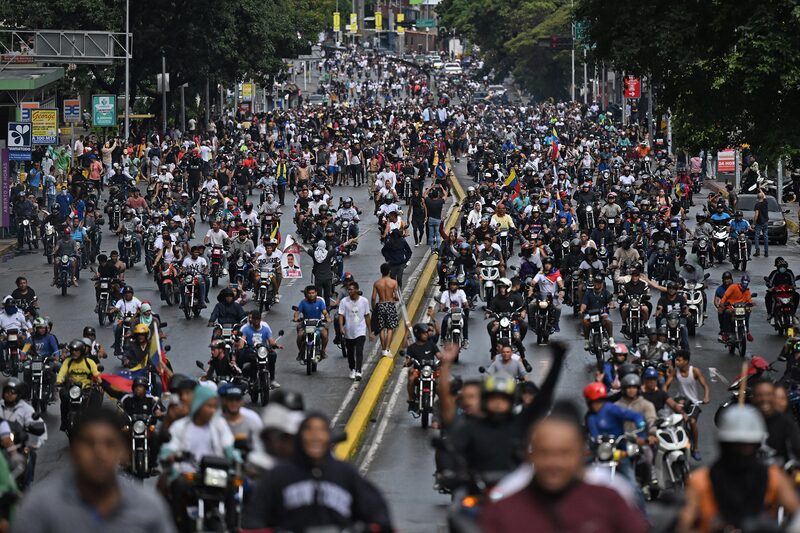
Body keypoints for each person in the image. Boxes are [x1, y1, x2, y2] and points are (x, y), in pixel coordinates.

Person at [479, 404, 649, 533]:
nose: (554, 463)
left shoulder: (610, 499)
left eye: (564, 453)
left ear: (580, 455)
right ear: (530, 456)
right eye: (545, 453)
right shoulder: (504, 508)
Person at [10, 407, 176, 533]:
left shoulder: (149, 508)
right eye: (89, 443)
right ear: (72, 451)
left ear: (125, 453)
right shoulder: (40, 506)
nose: (99, 453)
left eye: (110, 444)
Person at [241, 412, 392, 533]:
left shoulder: (345, 473)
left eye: (321, 431)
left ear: (329, 438)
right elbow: (255, 516)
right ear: (300, 436)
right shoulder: (278, 475)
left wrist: (374, 526)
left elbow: (377, 510)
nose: (315, 436)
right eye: (309, 430)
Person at [449, 343, 566, 477]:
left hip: (511, 486)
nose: (498, 404)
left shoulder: (518, 423)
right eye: (494, 399)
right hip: (477, 485)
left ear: (511, 401)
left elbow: (542, 399)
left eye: (503, 399)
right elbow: (453, 449)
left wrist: (557, 360)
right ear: (486, 400)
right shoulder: (471, 425)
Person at [679, 405, 800, 532]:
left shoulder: (773, 478)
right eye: (735, 445)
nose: (742, 451)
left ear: (757, 446)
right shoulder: (701, 481)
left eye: (747, 446)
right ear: (723, 445)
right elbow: (685, 524)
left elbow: (796, 513)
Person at [0, 378, 45, 489]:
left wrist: (32, 426)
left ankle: (26, 487)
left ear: (18, 394)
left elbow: (36, 422)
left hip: (17, 442)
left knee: (31, 454)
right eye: (7, 392)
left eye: (13, 393)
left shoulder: (26, 408)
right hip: (1, 441)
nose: (9, 395)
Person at [665, 350, 710, 460]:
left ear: (686, 361)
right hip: (679, 401)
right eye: (676, 360)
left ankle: (696, 448)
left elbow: (705, 386)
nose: (677, 362)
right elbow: (666, 385)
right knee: (672, 423)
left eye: (679, 360)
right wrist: (664, 396)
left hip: (693, 403)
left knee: (692, 422)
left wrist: (706, 397)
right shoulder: (675, 372)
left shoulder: (695, 371)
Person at [56, 339, 102, 431]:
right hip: (71, 389)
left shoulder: (89, 362)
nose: (74, 353)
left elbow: (96, 375)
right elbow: (61, 373)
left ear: (81, 351)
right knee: (63, 395)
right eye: (72, 350)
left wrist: (100, 384)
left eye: (76, 351)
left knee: (97, 396)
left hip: (86, 388)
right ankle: (64, 422)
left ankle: (94, 423)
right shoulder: (67, 361)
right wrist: (58, 381)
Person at [752, 379, 800, 464]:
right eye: (759, 395)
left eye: (768, 395)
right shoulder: (747, 421)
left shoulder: (787, 423)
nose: (764, 399)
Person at [239, 310, 282, 389]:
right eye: (254, 319)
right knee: (248, 357)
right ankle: (250, 378)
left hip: (262, 351)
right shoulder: (246, 329)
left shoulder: (265, 329)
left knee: (273, 355)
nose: (256, 321)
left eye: (257, 319)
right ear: (252, 320)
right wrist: (241, 346)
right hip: (251, 350)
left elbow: (271, 340)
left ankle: (272, 379)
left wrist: (275, 345)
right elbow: (242, 340)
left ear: (260, 319)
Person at [338, 282, 373, 380]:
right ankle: (352, 368)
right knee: (350, 352)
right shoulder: (344, 301)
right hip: (349, 330)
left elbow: (367, 316)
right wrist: (341, 327)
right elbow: (341, 315)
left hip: (360, 330)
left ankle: (358, 371)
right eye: (348, 289)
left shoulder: (364, 301)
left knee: (359, 350)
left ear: (357, 290)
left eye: (351, 289)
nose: (349, 291)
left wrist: (370, 331)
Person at [218, 383, 263, 452]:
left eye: (237, 400)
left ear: (242, 402)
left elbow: (260, 446)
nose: (234, 403)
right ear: (225, 401)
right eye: (231, 400)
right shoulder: (217, 420)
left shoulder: (253, 419)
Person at [294, 285, 330, 361]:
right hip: (305, 324)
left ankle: (323, 351)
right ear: (307, 294)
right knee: (300, 335)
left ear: (316, 293)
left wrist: (327, 317)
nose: (311, 295)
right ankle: (301, 352)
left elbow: (325, 312)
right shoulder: (303, 302)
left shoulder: (320, 302)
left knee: (324, 334)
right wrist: (296, 318)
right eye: (309, 293)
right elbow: (297, 312)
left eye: (313, 293)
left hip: (317, 324)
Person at [579, 274, 616, 349]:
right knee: (585, 322)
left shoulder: (606, 292)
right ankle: (586, 340)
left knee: (608, 322)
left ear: (602, 283)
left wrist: (611, 306)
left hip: (603, 313)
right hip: (591, 313)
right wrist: (582, 310)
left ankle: (611, 339)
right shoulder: (588, 293)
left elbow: (611, 302)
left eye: (599, 282)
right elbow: (584, 304)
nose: (597, 284)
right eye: (595, 282)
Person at [372, 263, 400, 357]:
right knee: (390, 328)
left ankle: (383, 349)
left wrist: (373, 308)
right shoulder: (393, 282)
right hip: (390, 305)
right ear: (389, 271)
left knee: (381, 328)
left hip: (380, 305)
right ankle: (387, 349)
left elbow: (373, 298)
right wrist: (395, 298)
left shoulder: (377, 283)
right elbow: (396, 296)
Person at [719, 274, 754, 343]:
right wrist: (722, 304)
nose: (745, 284)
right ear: (741, 281)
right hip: (731, 307)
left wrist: (751, 304)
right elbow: (725, 296)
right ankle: (725, 333)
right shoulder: (733, 287)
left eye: (747, 282)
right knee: (727, 313)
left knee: (748, 312)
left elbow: (749, 300)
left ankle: (747, 332)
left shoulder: (747, 291)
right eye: (744, 282)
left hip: (741, 308)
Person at [439, 276, 470, 346]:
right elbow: (442, 304)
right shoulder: (445, 293)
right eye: (451, 284)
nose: (453, 286)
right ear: (449, 285)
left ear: (457, 286)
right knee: (444, 321)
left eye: (455, 284)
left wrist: (466, 305)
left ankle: (465, 339)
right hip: (449, 313)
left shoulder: (461, 292)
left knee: (465, 320)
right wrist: (442, 308)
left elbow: (465, 301)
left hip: (459, 313)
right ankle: (442, 338)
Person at [753, 190, 770, 257]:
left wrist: (754, 223)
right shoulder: (765, 202)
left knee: (757, 236)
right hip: (765, 222)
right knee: (765, 236)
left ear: (757, 198)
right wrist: (760, 189)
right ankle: (766, 252)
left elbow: (756, 215)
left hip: (759, 222)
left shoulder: (757, 205)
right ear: (763, 197)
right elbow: (764, 195)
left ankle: (757, 251)